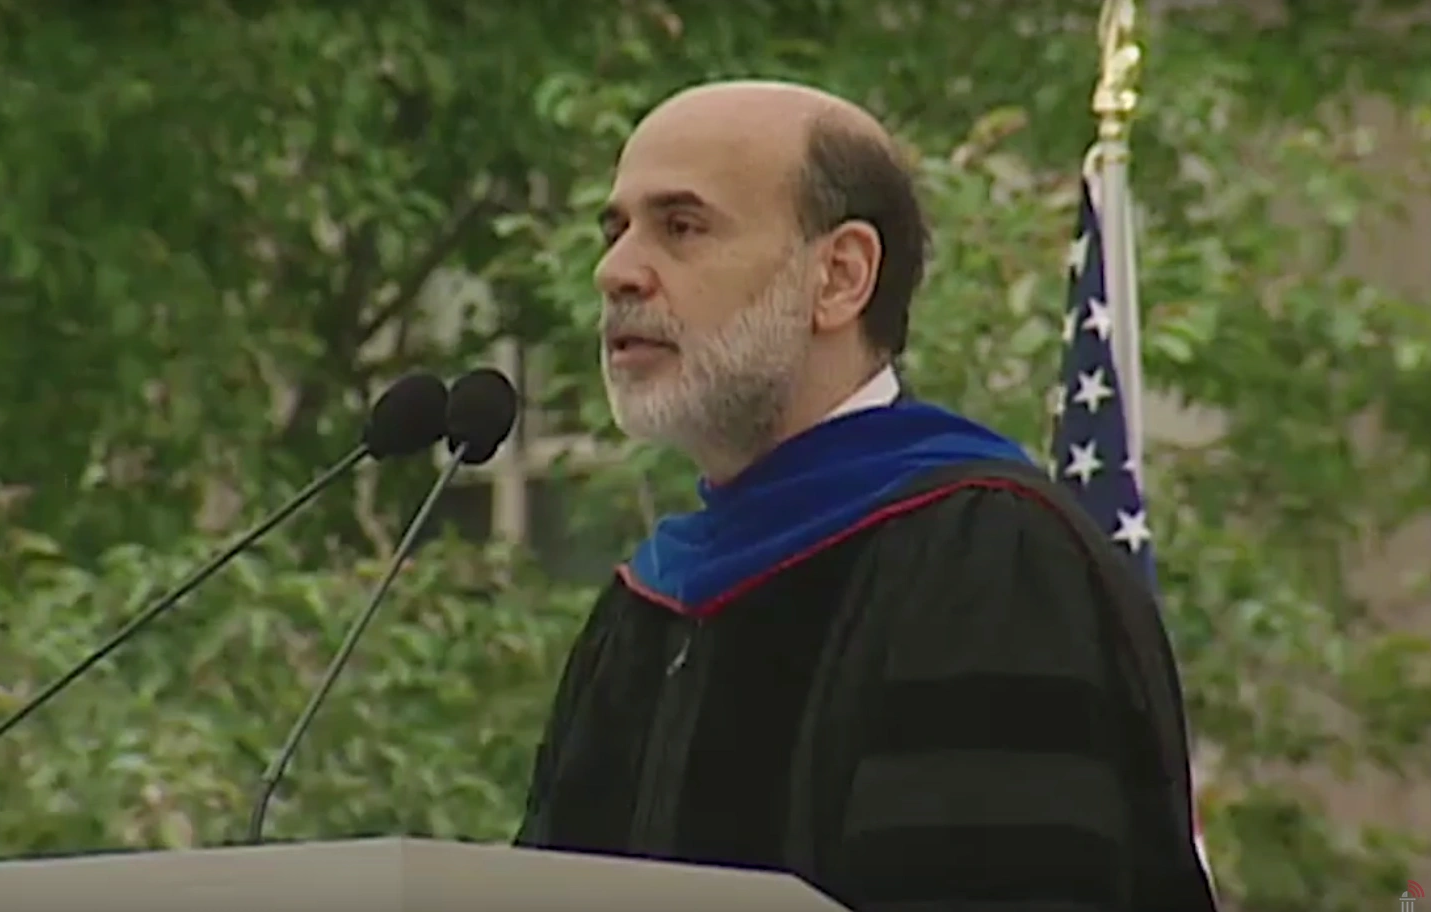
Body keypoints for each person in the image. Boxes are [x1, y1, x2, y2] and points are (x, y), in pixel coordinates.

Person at [512, 80, 1218, 911]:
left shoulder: (988, 562)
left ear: (839, 277)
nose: (614, 270)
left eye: (681, 226)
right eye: (615, 228)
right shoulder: (647, 603)